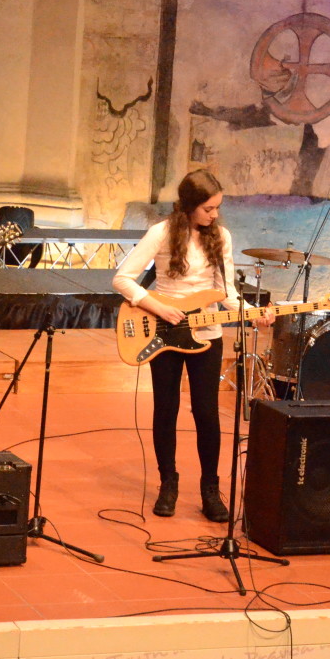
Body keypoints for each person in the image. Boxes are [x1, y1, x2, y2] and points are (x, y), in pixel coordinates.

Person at [113, 169, 272, 522]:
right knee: (165, 409)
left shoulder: (221, 236)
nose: (214, 215)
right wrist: (158, 308)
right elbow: (122, 278)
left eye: (217, 208)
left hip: (207, 334)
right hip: (163, 332)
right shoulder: (162, 232)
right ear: (188, 206)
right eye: (208, 209)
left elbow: (227, 293)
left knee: (206, 412)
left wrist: (252, 313)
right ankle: (168, 483)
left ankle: (210, 489)